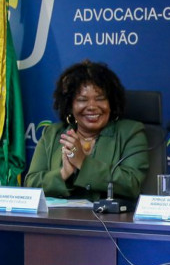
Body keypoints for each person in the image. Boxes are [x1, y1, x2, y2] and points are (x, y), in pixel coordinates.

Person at [25, 60, 149, 201]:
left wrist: (82, 163)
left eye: (100, 99)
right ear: (70, 105)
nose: (92, 106)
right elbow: (31, 185)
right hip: (58, 220)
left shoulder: (131, 132)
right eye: (82, 100)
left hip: (109, 221)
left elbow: (131, 184)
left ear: (111, 103)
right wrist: (64, 173)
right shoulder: (52, 134)